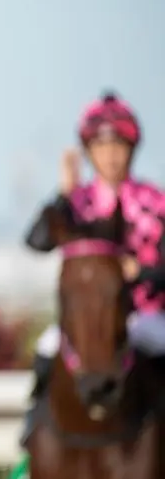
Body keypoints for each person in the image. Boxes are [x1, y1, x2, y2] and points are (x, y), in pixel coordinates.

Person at [21, 92, 165, 441]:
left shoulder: (154, 201)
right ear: (88, 151)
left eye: (119, 145)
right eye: (101, 146)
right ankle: (34, 433)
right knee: (46, 348)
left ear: (132, 149)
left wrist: (141, 272)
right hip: (84, 319)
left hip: (143, 314)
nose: (111, 155)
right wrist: (62, 193)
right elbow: (37, 241)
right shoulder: (78, 200)